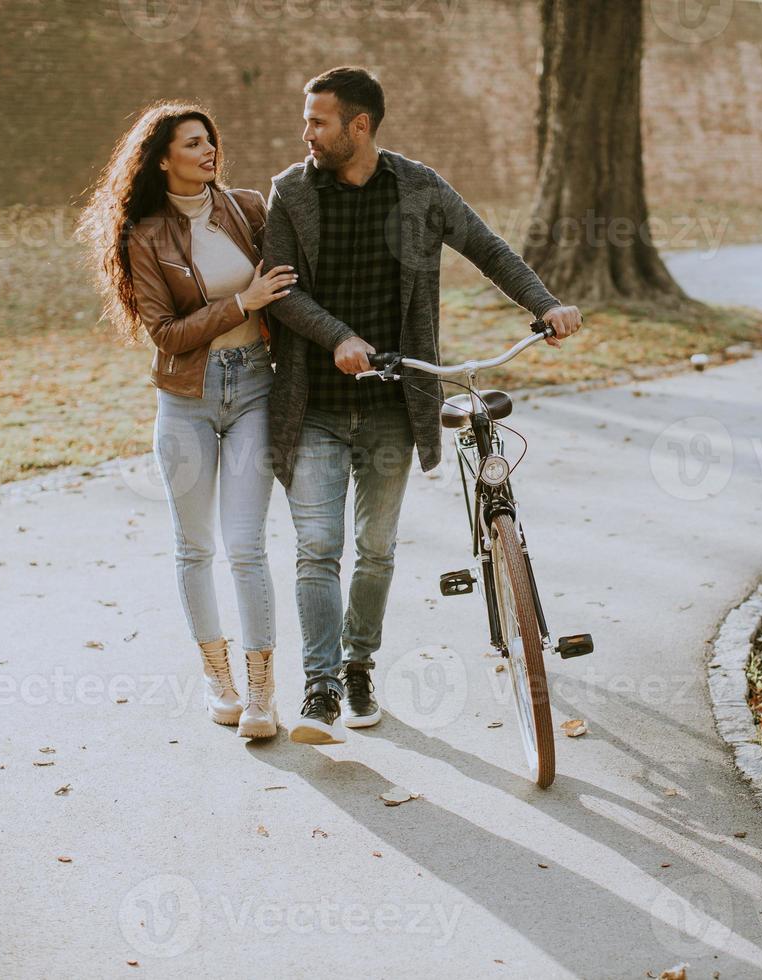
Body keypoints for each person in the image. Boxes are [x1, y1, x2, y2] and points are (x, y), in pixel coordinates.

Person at [262, 67, 584, 745]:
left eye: (318, 121)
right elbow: (282, 292)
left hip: (390, 407)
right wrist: (339, 337)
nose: (306, 133)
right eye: (306, 120)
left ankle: (357, 667)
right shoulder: (291, 192)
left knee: (375, 550)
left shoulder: (420, 189)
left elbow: (487, 248)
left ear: (359, 126)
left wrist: (544, 304)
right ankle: (318, 689)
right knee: (318, 549)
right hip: (314, 404)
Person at [79, 101, 297, 739]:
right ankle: (218, 680)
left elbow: (296, 283)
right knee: (194, 547)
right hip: (186, 400)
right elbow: (167, 334)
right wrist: (243, 301)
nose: (209, 152)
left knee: (247, 546)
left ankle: (262, 693)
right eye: (194, 143)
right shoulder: (144, 235)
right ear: (163, 158)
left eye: (210, 142)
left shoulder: (248, 209)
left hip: (256, 387)